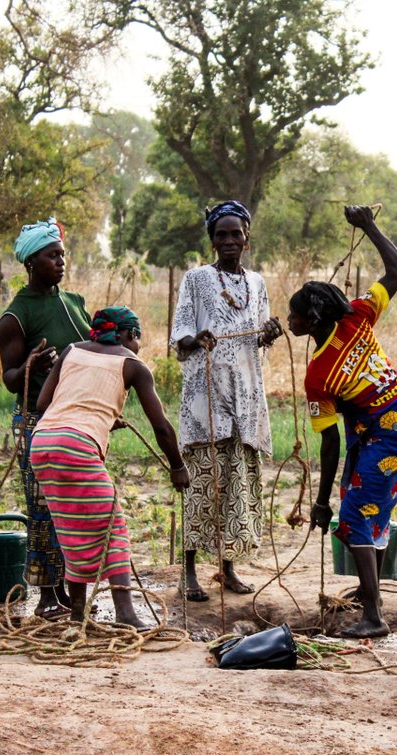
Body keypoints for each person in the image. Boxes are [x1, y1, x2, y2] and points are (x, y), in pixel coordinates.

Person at [287, 205, 397, 639]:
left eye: (293, 314)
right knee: (371, 512)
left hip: (388, 433)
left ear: (310, 320)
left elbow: (329, 444)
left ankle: (373, 616)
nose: (288, 319)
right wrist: (368, 226)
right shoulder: (358, 315)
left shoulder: (317, 374)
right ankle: (374, 599)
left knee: (351, 521)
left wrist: (322, 501)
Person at [29, 307, 190, 627]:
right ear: (129, 335)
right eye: (138, 338)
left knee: (69, 530)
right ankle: (127, 614)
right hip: (76, 446)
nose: (138, 345)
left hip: (43, 443)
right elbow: (161, 427)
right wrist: (178, 466)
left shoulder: (72, 351)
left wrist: (97, 415)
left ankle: (77, 612)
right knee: (113, 528)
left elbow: (43, 405)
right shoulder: (133, 365)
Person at [171, 200, 284, 601]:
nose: (229, 241)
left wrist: (268, 333)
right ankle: (188, 573)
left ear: (247, 237)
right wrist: (195, 340)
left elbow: (256, 338)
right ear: (212, 240)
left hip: (246, 399)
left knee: (237, 485)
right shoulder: (197, 280)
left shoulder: (257, 283)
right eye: (221, 235)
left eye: (236, 233)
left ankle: (228, 569)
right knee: (202, 484)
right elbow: (180, 335)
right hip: (207, 399)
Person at [0, 219, 91, 619]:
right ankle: (47, 594)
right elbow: (9, 378)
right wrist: (32, 364)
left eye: (62, 254)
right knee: (43, 507)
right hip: (38, 419)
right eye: (52, 256)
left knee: (76, 506)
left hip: (78, 418)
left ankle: (73, 590)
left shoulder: (74, 303)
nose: (61, 261)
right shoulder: (15, 317)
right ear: (31, 262)